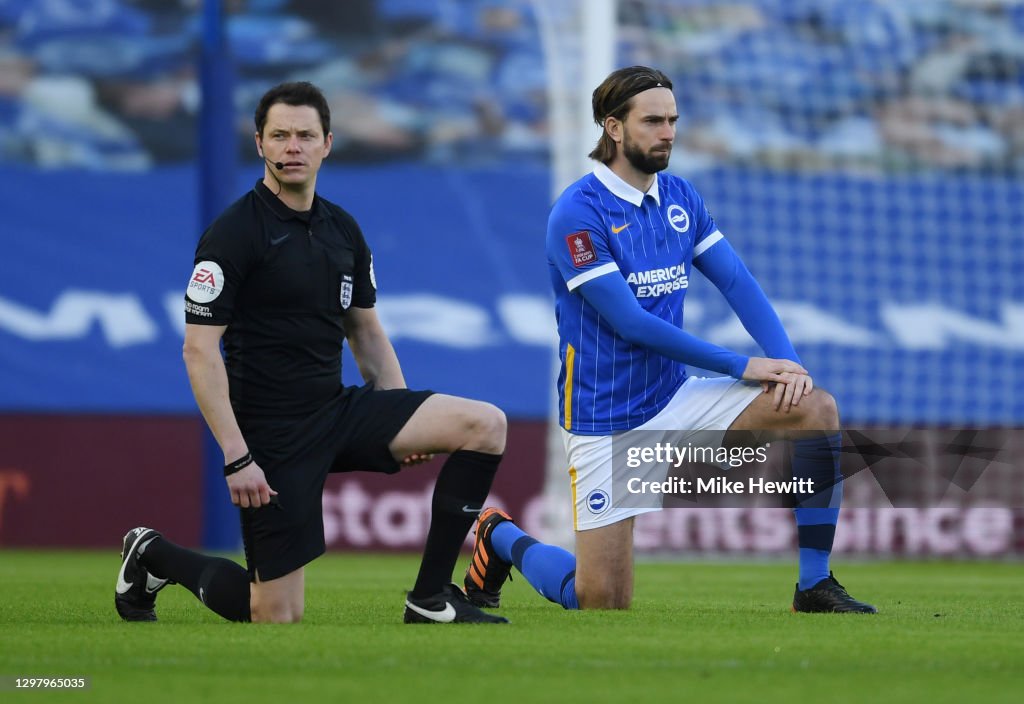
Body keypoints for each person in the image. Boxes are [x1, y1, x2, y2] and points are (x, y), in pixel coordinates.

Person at [463, 66, 876, 614]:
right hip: (604, 418)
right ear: (613, 128)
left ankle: (814, 585)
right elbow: (631, 324)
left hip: (675, 399)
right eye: (653, 121)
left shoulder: (680, 196)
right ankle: (499, 536)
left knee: (814, 408)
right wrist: (743, 365)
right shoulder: (577, 213)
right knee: (601, 602)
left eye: (673, 120)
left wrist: (790, 367)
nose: (668, 132)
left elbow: (736, 281)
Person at [115, 81, 508, 625]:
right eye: (279, 135)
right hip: (271, 435)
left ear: (327, 143)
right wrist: (237, 457)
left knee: (484, 424)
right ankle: (153, 554)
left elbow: (365, 332)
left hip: (336, 410)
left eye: (304, 135)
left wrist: (395, 409)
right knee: (274, 614)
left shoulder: (342, 229)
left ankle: (431, 597)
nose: (291, 147)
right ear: (259, 144)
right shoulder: (232, 234)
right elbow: (198, 352)